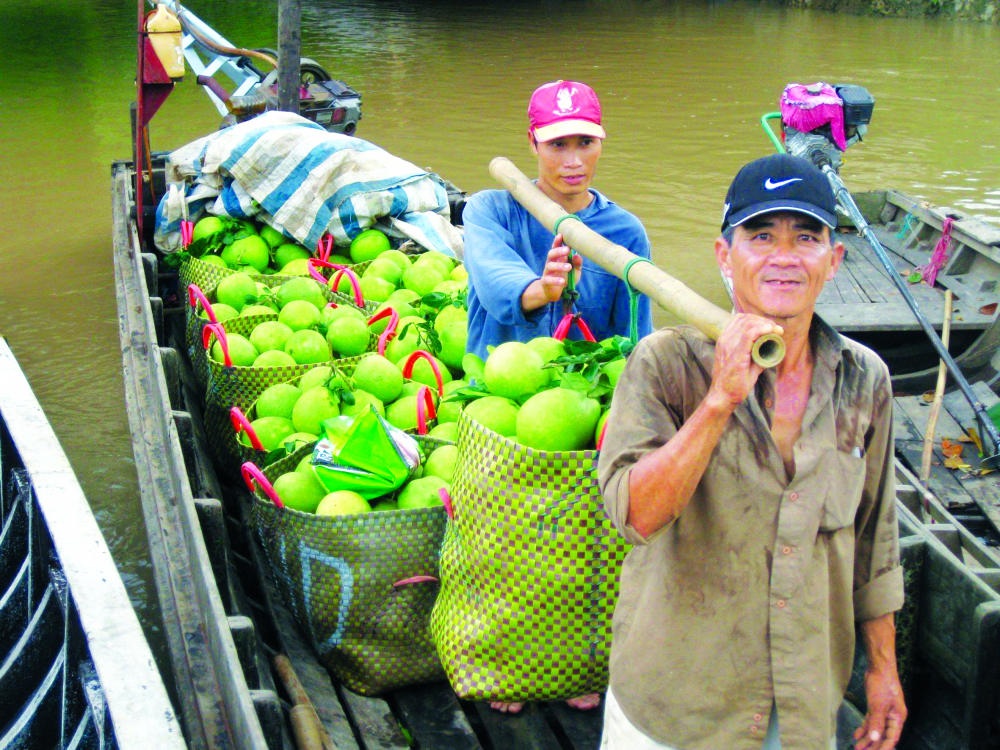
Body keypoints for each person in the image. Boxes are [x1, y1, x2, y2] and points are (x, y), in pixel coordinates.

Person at [597, 153, 906, 750]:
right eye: (761, 236)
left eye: (807, 237)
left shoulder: (865, 379)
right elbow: (636, 516)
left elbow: (875, 539)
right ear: (724, 256)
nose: (784, 256)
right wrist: (719, 401)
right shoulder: (665, 364)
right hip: (674, 709)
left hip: (801, 709)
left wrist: (883, 669)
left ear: (834, 260)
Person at [462, 80, 652, 361]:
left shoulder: (626, 232)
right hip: (495, 390)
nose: (574, 161)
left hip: (580, 395)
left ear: (601, 143)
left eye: (586, 143)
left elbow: (631, 338)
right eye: (558, 144)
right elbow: (496, 286)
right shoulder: (490, 211)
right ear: (533, 143)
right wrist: (544, 290)